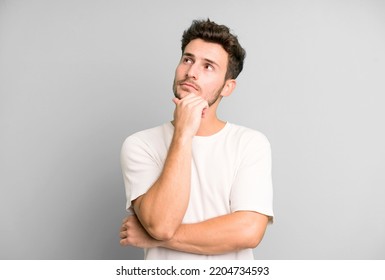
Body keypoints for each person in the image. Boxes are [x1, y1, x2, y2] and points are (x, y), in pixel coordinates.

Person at [119, 19, 274, 260]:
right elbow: (161, 224)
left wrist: (153, 238)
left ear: (227, 87)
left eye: (208, 66)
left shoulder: (250, 143)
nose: (191, 72)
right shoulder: (140, 145)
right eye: (187, 59)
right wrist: (183, 132)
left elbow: (248, 231)